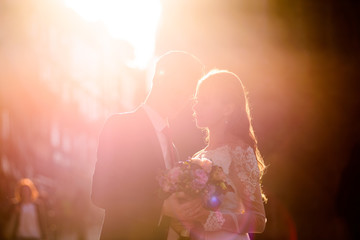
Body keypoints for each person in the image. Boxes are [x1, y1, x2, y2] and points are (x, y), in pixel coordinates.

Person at [91, 50, 205, 240]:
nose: (182, 99)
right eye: (178, 89)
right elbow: (101, 193)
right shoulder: (121, 125)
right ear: (159, 80)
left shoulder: (173, 148)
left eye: (188, 94)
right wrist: (162, 207)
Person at [163, 70, 267, 240]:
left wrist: (209, 218)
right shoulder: (198, 156)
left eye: (204, 102)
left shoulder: (239, 151)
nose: (195, 106)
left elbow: (258, 220)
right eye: (197, 101)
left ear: (228, 108)